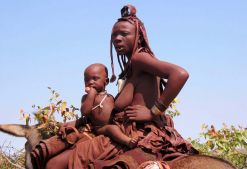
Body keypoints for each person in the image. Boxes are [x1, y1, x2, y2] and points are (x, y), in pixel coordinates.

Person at [32, 4, 198, 169]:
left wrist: (153, 112)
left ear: (138, 36)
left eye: (124, 34)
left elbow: (180, 74)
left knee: (54, 164)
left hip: (131, 135)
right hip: (121, 132)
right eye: (114, 35)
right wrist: (77, 122)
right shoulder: (133, 68)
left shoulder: (140, 58)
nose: (117, 38)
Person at [81, 63, 138, 148]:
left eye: (95, 79)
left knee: (124, 125)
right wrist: (91, 94)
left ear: (106, 81)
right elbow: (85, 111)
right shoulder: (86, 97)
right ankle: (127, 141)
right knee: (111, 129)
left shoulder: (110, 97)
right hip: (100, 128)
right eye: (87, 80)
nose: (90, 82)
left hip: (113, 123)